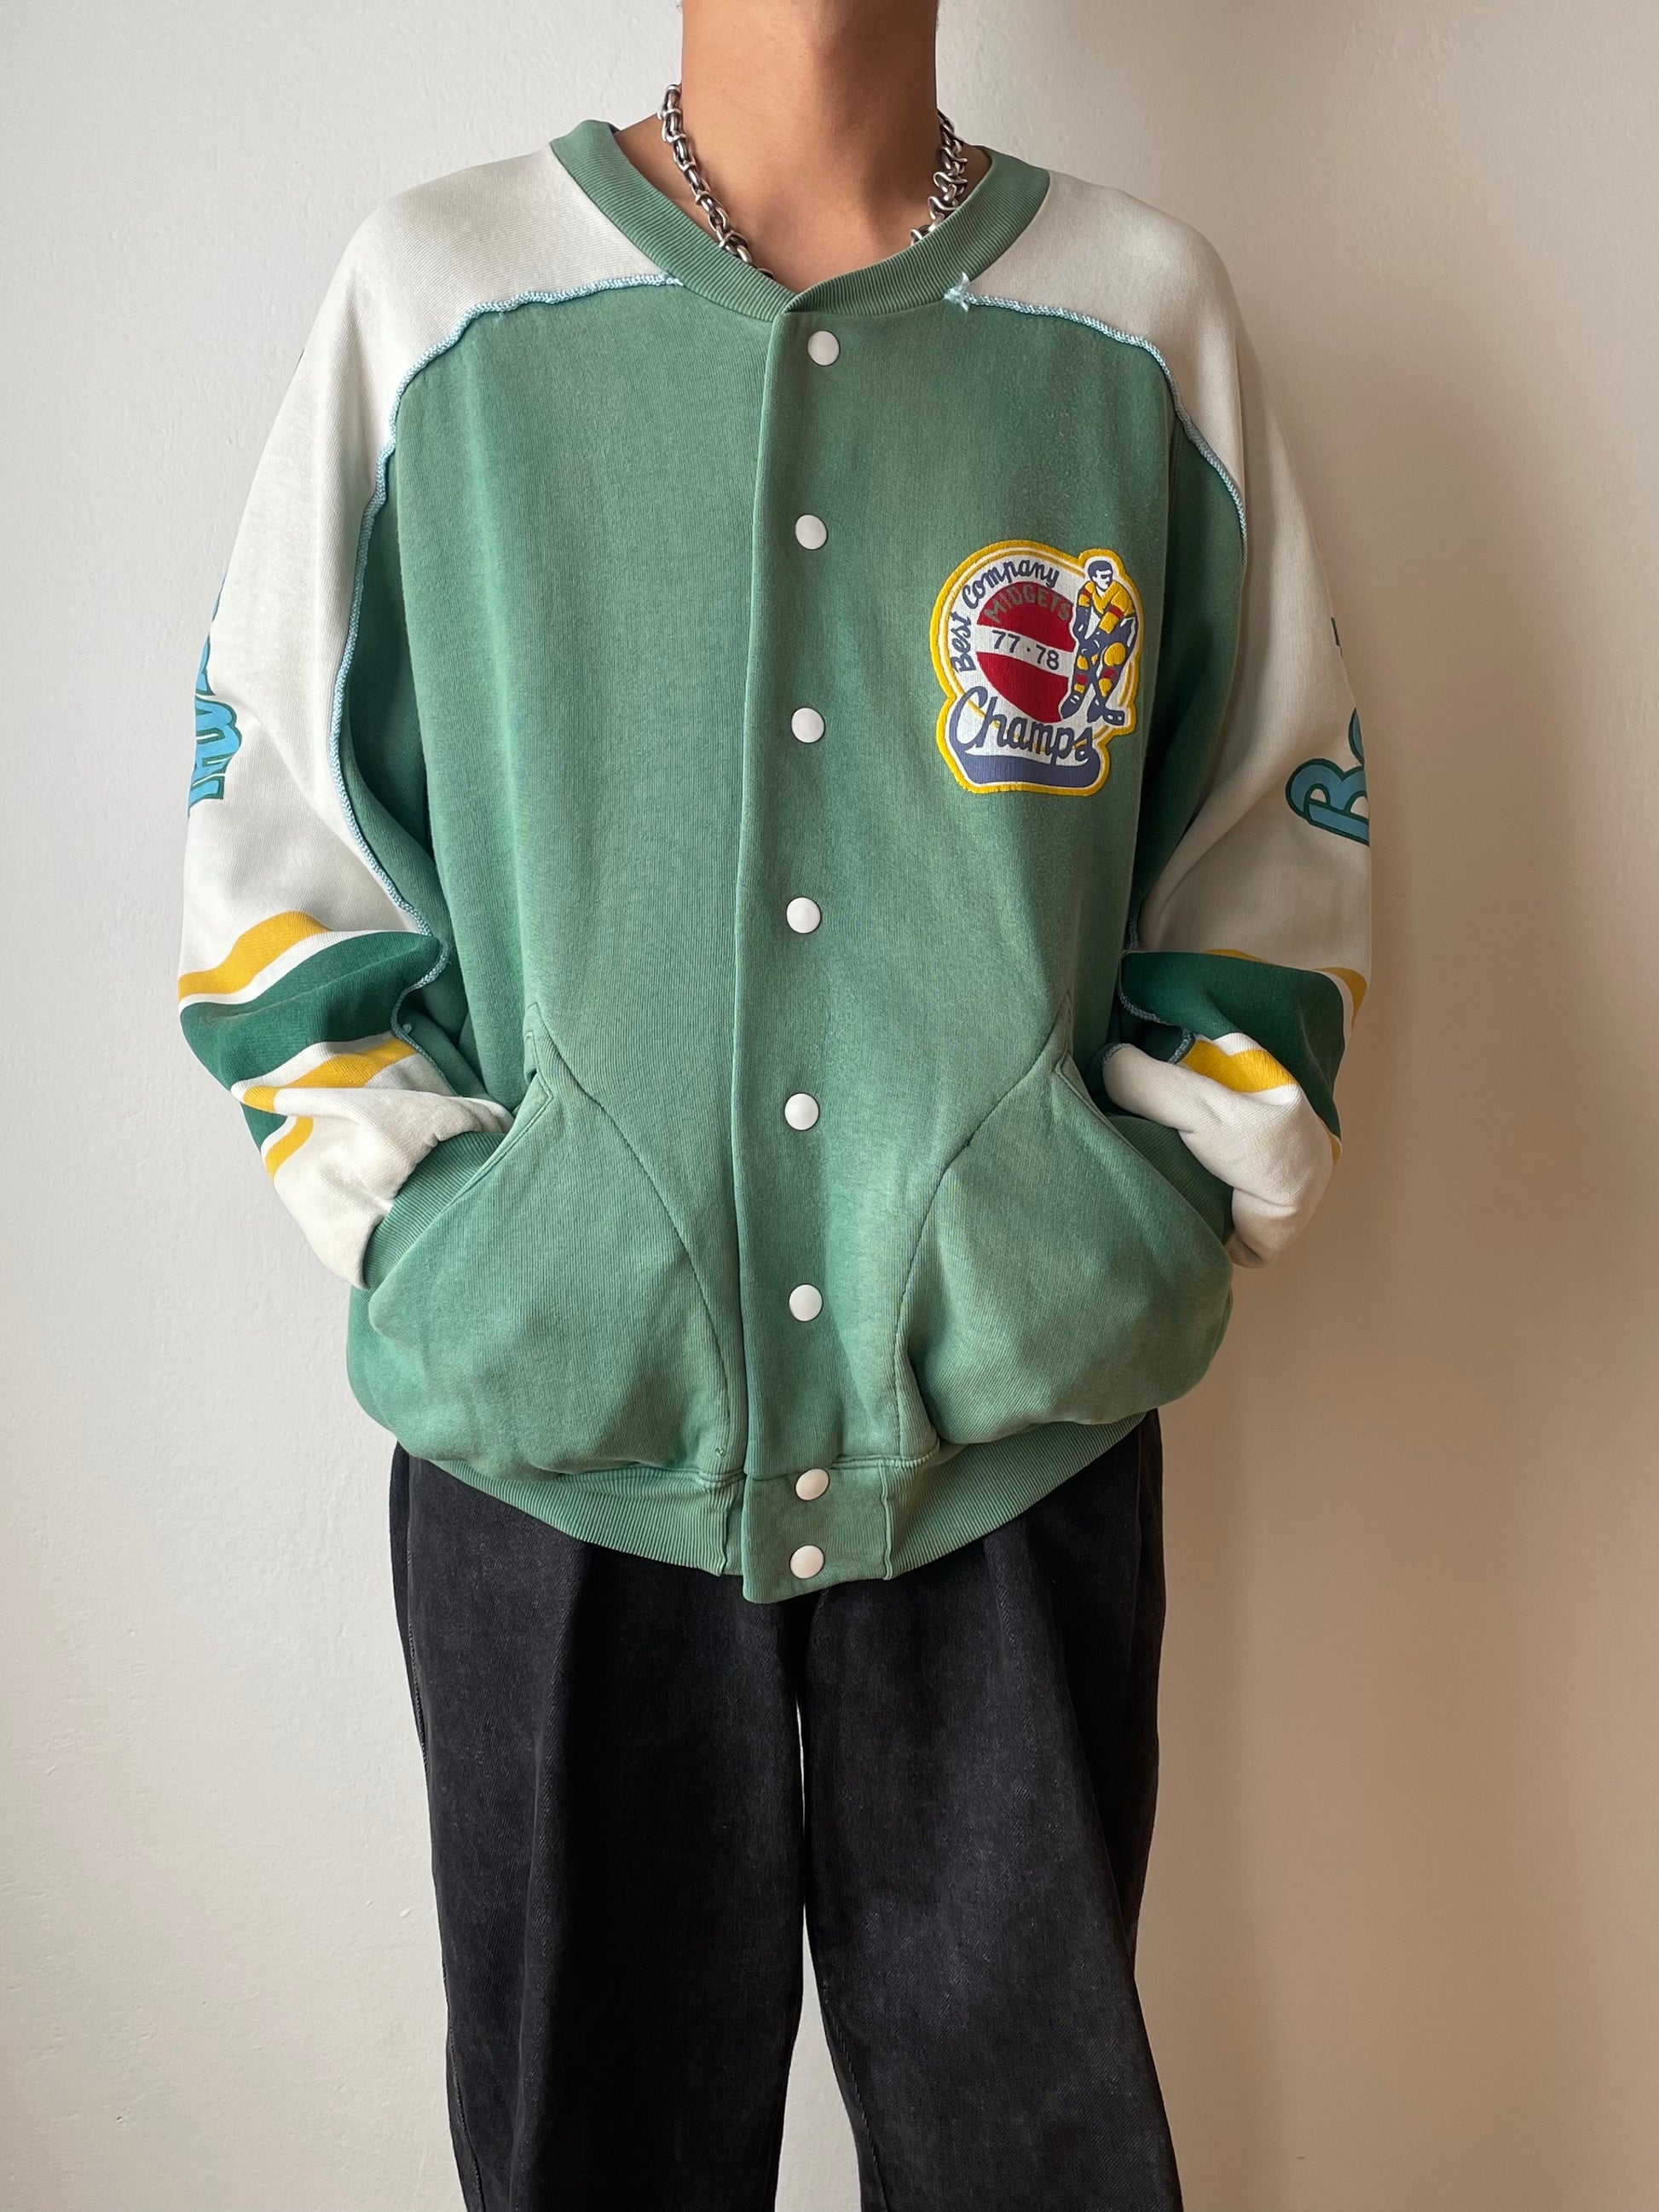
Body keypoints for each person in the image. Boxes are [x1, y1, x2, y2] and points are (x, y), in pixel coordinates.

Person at [176, 0, 1370, 2203]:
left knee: (1035, 2169)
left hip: (1016, 1439)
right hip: (559, 1450)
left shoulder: (1134, 320)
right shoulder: (440, 300)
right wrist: (462, 1241)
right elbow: (280, 847)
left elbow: (1263, 840)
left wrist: (1121, 1220)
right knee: (586, 2157)